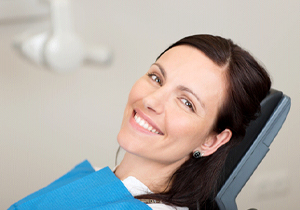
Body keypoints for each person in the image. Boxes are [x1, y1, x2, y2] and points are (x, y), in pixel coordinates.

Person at [9, 34, 271, 210]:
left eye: (186, 102)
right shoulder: (96, 176)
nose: (152, 101)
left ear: (212, 140)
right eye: (157, 78)